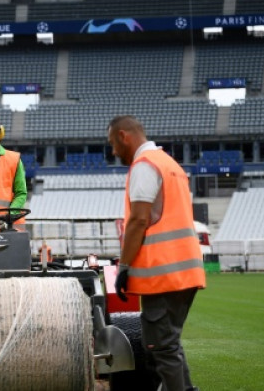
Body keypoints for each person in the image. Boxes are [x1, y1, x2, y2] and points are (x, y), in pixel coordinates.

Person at [107, 115, 205, 391]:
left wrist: (124, 266)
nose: (113, 152)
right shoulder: (169, 164)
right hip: (185, 270)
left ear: (124, 136)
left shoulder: (144, 166)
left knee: (160, 347)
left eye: (113, 144)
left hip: (164, 273)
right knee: (167, 344)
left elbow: (138, 220)